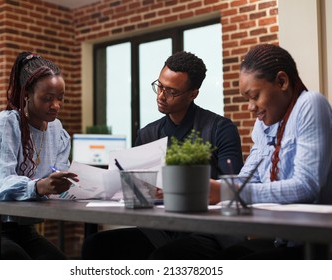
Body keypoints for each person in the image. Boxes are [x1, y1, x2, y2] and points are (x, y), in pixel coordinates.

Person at [81, 51, 244, 260]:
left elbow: (232, 189)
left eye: (171, 92)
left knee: (167, 256)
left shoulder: (220, 129)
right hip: (159, 229)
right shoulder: (148, 133)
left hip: (209, 230)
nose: (161, 96)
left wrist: (176, 191)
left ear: (193, 94)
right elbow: (134, 186)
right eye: (159, 86)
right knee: (96, 245)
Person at [210, 43, 332, 259]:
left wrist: (227, 192)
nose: (251, 107)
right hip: (283, 239)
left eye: (255, 96)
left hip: (321, 246)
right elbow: (247, 179)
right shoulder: (263, 124)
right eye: (246, 99)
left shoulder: (310, 104)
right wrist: (206, 190)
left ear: (282, 81)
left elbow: (306, 186)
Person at [0, 51, 79, 260]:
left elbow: (60, 177)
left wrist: (74, 187)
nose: (56, 106)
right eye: (47, 99)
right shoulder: (6, 122)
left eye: (60, 98)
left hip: (25, 230)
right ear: (27, 94)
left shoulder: (57, 129)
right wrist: (38, 186)